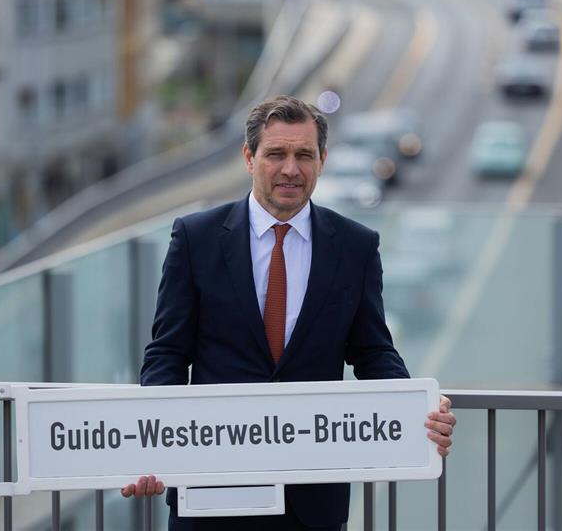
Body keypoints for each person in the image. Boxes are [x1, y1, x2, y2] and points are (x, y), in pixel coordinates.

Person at [121, 95, 456, 530]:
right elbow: (167, 354)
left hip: (311, 500)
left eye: (304, 155)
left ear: (322, 160)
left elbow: (373, 352)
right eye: (276, 154)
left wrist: (418, 409)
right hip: (212, 492)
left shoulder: (355, 246)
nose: (290, 169)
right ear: (249, 157)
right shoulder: (195, 238)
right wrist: (150, 449)